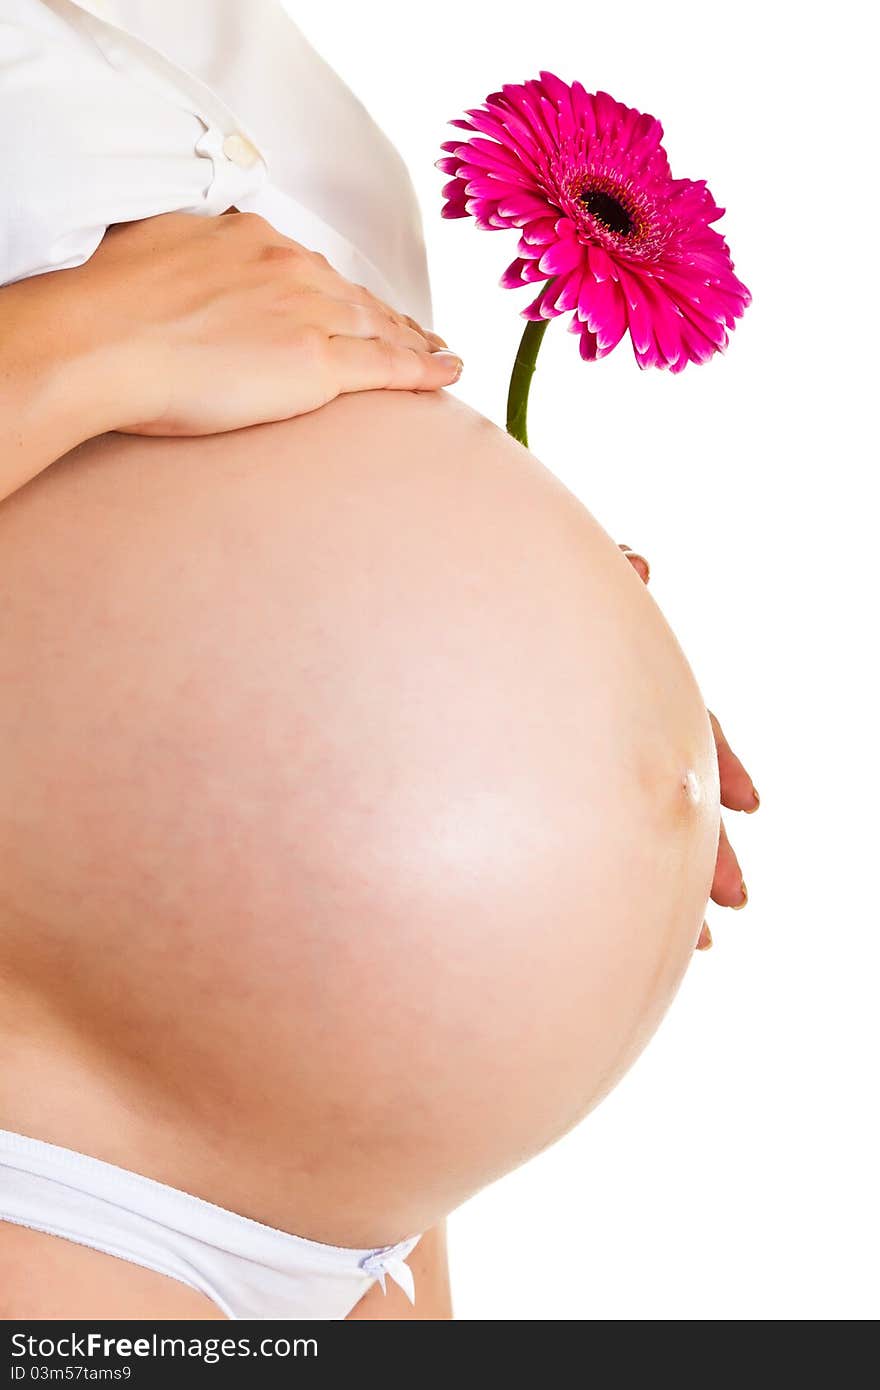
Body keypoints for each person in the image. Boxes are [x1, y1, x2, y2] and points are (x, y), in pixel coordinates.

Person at [0, 0, 758, 1321]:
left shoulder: (223, 46)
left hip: (371, 1231)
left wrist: (564, 677)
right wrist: (78, 346)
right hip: (59, 1163)